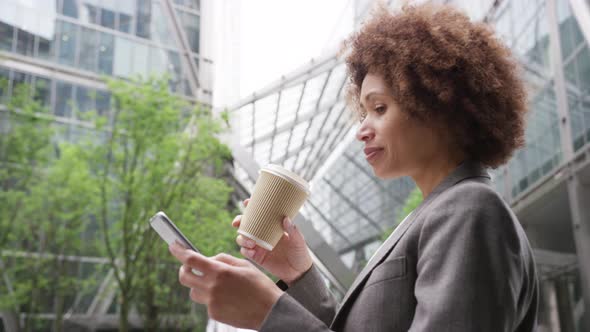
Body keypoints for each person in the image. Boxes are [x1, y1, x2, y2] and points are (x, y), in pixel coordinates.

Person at [169, 3, 538, 331]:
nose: (361, 130)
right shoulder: (437, 212)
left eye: (379, 109)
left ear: (439, 106)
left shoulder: (470, 209)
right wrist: (300, 275)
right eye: (364, 112)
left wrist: (270, 314)